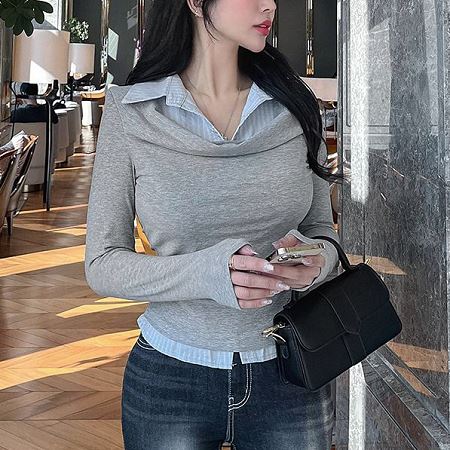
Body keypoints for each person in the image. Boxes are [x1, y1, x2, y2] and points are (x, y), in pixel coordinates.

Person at [84, 0, 343, 448]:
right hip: (170, 378)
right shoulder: (131, 112)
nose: (270, 4)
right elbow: (102, 264)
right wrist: (206, 273)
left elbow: (323, 231)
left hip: (293, 370)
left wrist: (317, 260)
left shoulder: (298, 108)